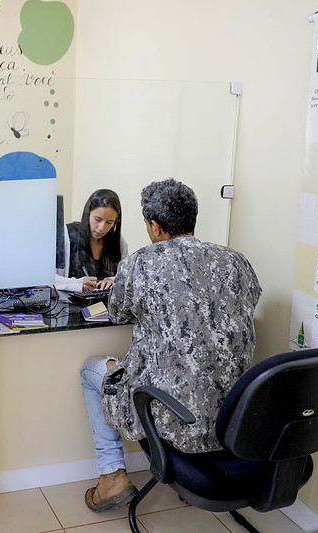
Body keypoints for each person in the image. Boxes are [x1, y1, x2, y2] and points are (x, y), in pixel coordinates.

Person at [79, 178, 262, 511]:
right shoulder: (236, 261)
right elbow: (250, 300)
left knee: (92, 370)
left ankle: (112, 478)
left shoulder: (139, 263)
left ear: (154, 226)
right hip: (235, 417)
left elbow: (118, 313)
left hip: (174, 417)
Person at [56, 189, 129, 292]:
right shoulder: (65, 235)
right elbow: (48, 279)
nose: (101, 228)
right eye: (97, 219)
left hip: (104, 301)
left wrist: (114, 281)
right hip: (69, 301)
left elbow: (127, 277)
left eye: (109, 222)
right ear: (88, 214)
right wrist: (77, 284)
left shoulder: (119, 242)